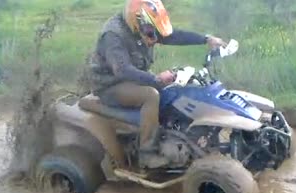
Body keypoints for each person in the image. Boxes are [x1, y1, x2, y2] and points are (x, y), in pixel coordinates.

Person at [78, 0, 226, 169]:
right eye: (151, 34)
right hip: (111, 85)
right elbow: (122, 70)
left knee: (174, 91)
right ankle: (147, 153)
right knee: (151, 96)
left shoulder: (146, 26)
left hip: (132, 78)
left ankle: (172, 134)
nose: (155, 38)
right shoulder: (113, 35)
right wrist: (156, 80)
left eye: (156, 32)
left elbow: (172, 36)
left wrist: (206, 39)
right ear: (137, 23)